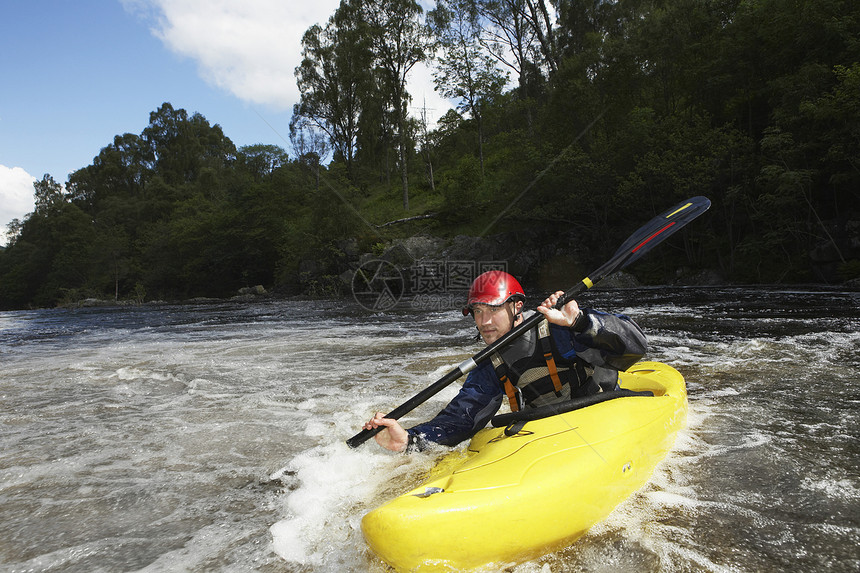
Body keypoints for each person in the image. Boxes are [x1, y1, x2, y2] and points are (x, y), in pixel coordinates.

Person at [362, 270, 647, 452]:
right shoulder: (490, 363)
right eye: (476, 311)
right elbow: (462, 419)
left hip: (602, 414)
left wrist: (581, 322)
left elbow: (635, 347)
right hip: (553, 431)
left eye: (493, 310)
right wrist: (410, 439)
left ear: (517, 306)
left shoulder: (560, 328)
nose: (483, 322)